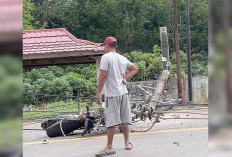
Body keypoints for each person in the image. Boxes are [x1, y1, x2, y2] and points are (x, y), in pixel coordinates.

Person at [95, 37, 138, 156]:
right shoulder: (122, 58)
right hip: (123, 92)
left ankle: (109, 147)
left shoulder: (106, 57)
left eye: (104, 46)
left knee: (111, 121)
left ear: (108, 45)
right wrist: (125, 78)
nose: (104, 48)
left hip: (112, 94)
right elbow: (135, 69)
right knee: (124, 119)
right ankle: (127, 143)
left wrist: (99, 93)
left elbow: (103, 75)